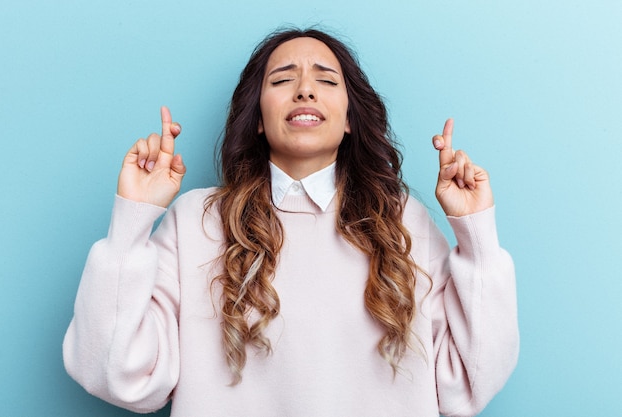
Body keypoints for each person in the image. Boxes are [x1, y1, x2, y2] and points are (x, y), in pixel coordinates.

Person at [63, 28, 519, 417]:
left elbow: (467, 386)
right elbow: (115, 375)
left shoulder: (403, 222)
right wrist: (132, 221)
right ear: (258, 119)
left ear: (349, 121)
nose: (305, 89)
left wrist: (476, 235)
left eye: (325, 80)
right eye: (283, 79)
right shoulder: (196, 221)